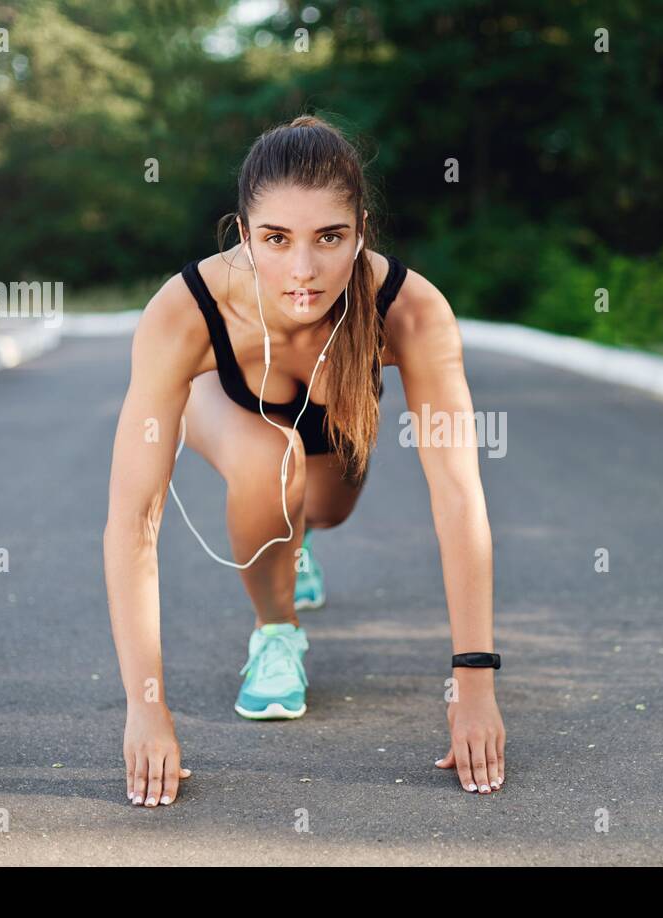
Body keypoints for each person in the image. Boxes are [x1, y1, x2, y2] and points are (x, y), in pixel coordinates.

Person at [102, 115, 504, 809]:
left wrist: (474, 682)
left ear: (361, 231)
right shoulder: (187, 310)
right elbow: (132, 522)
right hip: (226, 401)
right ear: (244, 232)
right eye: (277, 239)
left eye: (330, 238)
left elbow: (459, 496)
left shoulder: (410, 311)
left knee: (327, 508)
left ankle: (298, 539)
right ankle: (276, 632)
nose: (303, 270)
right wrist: (145, 708)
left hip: (335, 417)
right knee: (270, 463)